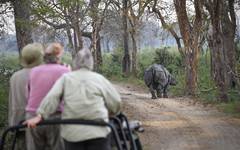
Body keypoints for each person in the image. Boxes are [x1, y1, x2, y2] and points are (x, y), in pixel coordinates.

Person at [24, 48, 122, 150]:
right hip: (98, 131)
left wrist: (41, 115)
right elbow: (116, 102)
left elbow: (52, 97)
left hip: (73, 133)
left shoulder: (66, 78)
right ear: (91, 63)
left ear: (75, 63)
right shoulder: (99, 79)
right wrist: (111, 113)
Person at [25, 42, 70, 150]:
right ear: (58, 55)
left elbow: (28, 93)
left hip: (32, 115)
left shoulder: (34, 71)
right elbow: (69, 96)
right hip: (55, 116)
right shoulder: (64, 71)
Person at [8, 43, 44, 150]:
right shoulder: (41, 75)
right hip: (38, 123)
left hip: (18, 123)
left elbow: (12, 101)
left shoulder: (15, 77)